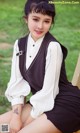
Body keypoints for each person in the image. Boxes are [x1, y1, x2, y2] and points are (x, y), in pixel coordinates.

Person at [0, 0, 80, 133]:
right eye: (36, 19)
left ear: (51, 23)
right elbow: (17, 84)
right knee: (3, 128)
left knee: (21, 131)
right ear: (26, 19)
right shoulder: (19, 45)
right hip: (40, 103)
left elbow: (49, 92)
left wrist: (24, 124)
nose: (40, 26)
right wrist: (15, 117)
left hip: (65, 104)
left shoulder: (52, 47)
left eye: (47, 21)